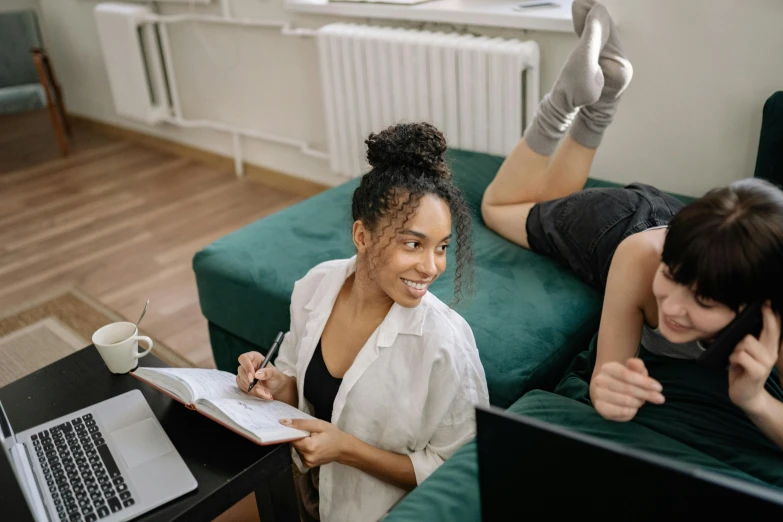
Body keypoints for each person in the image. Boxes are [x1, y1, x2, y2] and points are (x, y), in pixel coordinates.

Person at [481, 0, 783, 451]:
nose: (673, 307)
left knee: (545, 199)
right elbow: (607, 373)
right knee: (499, 205)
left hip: (686, 233)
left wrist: (755, 400)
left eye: (701, 299)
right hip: (618, 223)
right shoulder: (643, 258)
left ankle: (608, 89)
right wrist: (606, 390)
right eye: (672, 277)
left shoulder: (774, 311)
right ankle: (564, 101)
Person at [235, 122, 489, 522]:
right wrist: (278, 385)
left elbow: (457, 471)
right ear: (362, 235)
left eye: (441, 248)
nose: (431, 267)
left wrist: (347, 449)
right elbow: (300, 384)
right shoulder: (315, 286)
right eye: (413, 244)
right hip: (304, 491)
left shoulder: (444, 342)